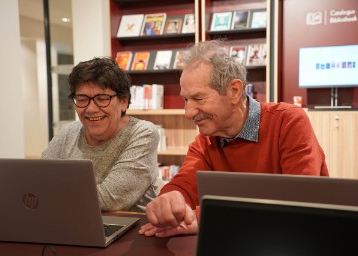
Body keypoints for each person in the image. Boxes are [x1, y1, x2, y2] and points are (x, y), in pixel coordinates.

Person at [139, 39, 329, 237]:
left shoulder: (288, 121)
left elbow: (298, 200)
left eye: (198, 98)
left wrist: (203, 218)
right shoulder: (205, 141)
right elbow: (184, 185)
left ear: (234, 91)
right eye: (186, 100)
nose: (188, 112)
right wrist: (169, 202)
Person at [41, 57, 161, 213]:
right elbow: (39, 182)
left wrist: (51, 195)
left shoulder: (142, 133)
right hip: (69, 221)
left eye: (102, 99)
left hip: (130, 227)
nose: (91, 109)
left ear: (123, 102)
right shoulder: (67, 133)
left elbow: (110, 200)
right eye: (82, 99)